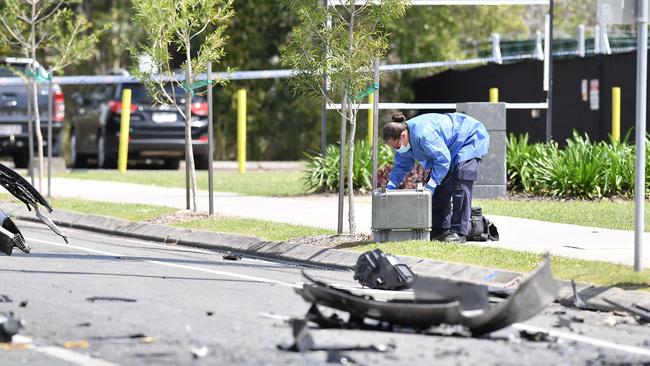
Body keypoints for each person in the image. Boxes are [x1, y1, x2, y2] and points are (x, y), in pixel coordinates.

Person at [382, 112, 489, 243]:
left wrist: (431, 184)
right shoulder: (404, 143)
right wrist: (390, 186)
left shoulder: (424, 134)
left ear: (403, 136)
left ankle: (459, 232)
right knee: (439, 188)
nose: (397, 149)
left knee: (461, 183)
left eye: (396, 146)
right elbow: (401, 166)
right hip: (450, 149)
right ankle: (440, 230)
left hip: (469, 138)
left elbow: (443, 160)